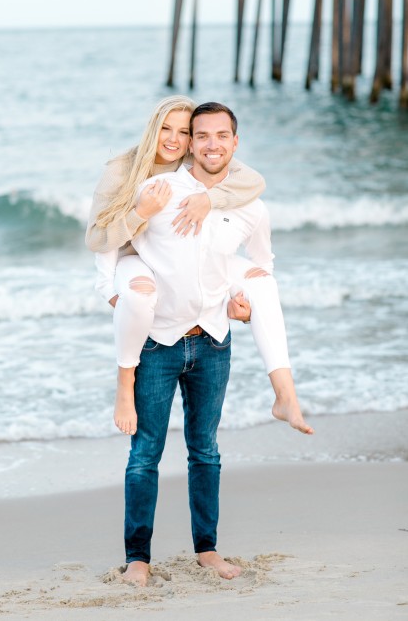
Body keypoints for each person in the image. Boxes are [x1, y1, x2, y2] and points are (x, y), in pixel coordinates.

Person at [111, 102, 312, 585]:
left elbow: (261, 265)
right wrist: (117, 292)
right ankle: (138, 558)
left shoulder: (251, 207)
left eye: (222, 136)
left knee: (205, 451)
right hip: (158, 343)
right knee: (145, 455)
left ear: (235, 143)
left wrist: (243, 302)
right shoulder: (158, 190)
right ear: (190, 145)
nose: (212, 144)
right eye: (201, 136)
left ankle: (208, 550)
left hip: (213, 343)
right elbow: (116, 248)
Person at [86, 96, 312, 438]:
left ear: (191, 139)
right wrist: (110, 287)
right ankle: (124, 383)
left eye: (183, 132)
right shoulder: (123, 170)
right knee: (140, 295)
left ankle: (285, 395)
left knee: (264, 283)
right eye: (165, 129)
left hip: (187, 263)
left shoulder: (195, 156)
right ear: (152, 129)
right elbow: (99, 239)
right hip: (135, 259)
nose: (173, 140)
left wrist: (209, 199)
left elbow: (254, 183)